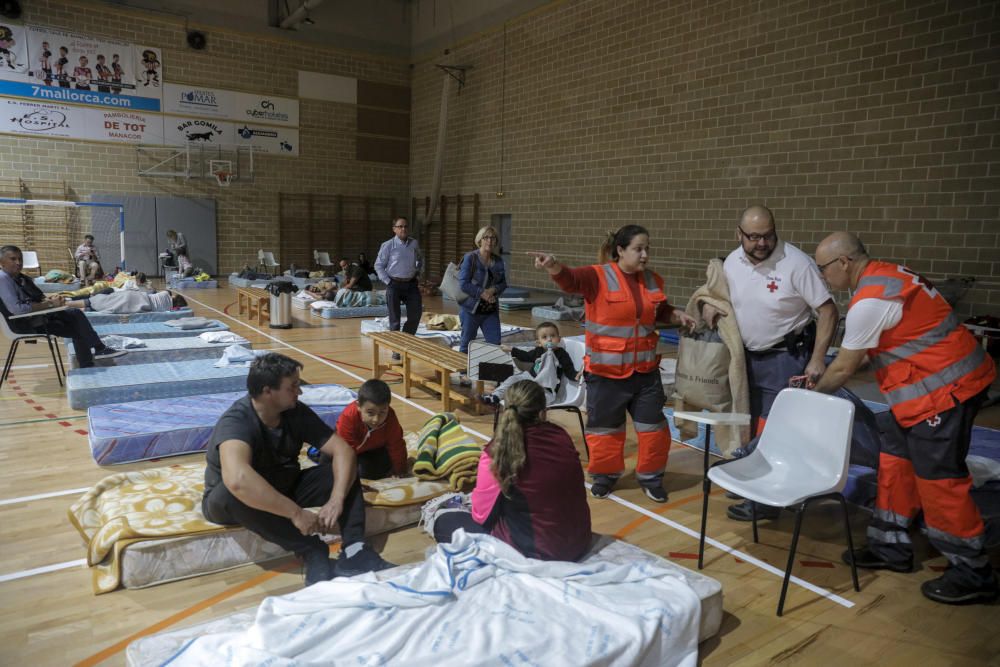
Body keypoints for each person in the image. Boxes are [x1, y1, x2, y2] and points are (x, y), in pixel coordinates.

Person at [811, 232, 997, 605]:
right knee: (895, 459)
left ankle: (972, 572)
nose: (823, 277)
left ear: (844, 263)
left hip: (945, 393)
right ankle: (890, 545)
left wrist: (809, 398)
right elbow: (867, 352)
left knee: (939, 480)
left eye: (823, 269)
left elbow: (846, 366)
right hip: (927, 393)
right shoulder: (887, 275)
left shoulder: (869, 300)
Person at [529, 225, 697, 503]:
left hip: (645, 375)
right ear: (620, 250)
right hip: (605, 376)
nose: (644, 255)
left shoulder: (653, 280)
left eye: (647, 249)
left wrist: (675, 313)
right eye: (638, 249)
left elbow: (659, 310)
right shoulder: (597, 276)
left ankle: (651, 478)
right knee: (605, 432)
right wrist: (553, 266)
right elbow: (570, 280)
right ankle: (605, 477)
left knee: (654, 431)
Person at [201, 354, 395, 587]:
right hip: (231, 502)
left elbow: (343, 451)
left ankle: (354, 550)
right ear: (268, 391)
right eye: (293, 386)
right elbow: (238, 480)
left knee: (344, 470)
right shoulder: (237, 421)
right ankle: (311, 549)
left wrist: (336, 499)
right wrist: (296, 513)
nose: (299, 392)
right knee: (231, 492)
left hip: (285, 485)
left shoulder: (295, 412)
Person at [700, 205, 838, 521]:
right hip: (745, 358)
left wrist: (817, 359)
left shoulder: (797, 263)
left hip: (786, 358)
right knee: (746, 424)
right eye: (754, 237)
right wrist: (710, 306)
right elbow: (717, 295)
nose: (762, 243)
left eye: (768, 235)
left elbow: (828, 311)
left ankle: (768, 500)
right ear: (739, 234)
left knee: (777, 430)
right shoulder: (732, 261)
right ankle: (752, 480)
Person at [431, 380, 592, 561]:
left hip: (540, 551)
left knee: (443, 521)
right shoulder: (561, 435)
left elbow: (480, 515)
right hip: (579, 541)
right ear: (542, 412)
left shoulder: (496, 453)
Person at [0, 245, 125, 368]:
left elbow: (31, 299)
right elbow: (17, 310)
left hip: (34, 319)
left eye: (20, 259)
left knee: (78, 324)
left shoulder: (17, 278)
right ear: (2, 262)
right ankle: (98, 350)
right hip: (25, 324)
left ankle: (89, 362)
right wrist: (49, 304)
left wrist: (51, 300)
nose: (18, 262)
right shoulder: (3, 279)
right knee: (76, 318)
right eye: (13, 259)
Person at [481, 321, 579, 406]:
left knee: (543, 399)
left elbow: (568, 369)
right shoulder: (538, 351)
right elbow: (526, 356)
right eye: (544, 337)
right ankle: (495, 397)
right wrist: (512, 349)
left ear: (559, 339)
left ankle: (523, 407)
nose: (549, 339)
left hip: (546, 387)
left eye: (553, 336)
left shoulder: (561, 354)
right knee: (513, 379)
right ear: (539, 342)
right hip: (530, 378)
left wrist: (576, 375)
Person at [335, 379, 407, 479]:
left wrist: (400, 469)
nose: (376, 419)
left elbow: (397, 444)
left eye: (382, 412)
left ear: (388, 407)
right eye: (370, 413)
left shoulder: (390, 417)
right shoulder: (348, 417)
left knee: (370, 471)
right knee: (329, 461)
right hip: (349, 449)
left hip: (372, 450)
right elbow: (346, 450)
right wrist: (351, 480)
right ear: (359, 406)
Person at [374, 217, 423, 357]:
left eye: (406, 226)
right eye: (400, 226)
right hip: (394, 284)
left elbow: (420, 259)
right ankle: (397, 351)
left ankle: (404, 343)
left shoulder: (414, 243)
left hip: (411, 284)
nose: (403, 229)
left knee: (415, 316)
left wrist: (418, 272)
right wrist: (388, 282)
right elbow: (378, 265)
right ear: (394, 229)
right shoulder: (388, 245)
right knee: (395, 320)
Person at [457, 225, 508, 356]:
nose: (489, 241)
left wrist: (493, 290)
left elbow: (503, 283)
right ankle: (462, 374)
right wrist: (483, 293)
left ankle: (490, 373)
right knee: (466, 345)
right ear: (480, 240)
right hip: (470, 310)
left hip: (489, 310)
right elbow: (463, 284)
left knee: (495, 344)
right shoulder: (470, 257)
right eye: (486, 237)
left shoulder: (498, 261)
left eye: (493, 238)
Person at [82, 289, 186, 314]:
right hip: (140, 304)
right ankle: (83, 309)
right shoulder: (168, 310)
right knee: (108, 307)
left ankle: (69, 304)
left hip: (137, 296)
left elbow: (165, 292)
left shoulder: (165, 293)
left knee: (104, 300)